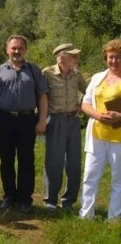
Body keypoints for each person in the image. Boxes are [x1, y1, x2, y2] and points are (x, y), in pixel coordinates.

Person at [0, 35, 48, 214]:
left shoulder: (34, 70)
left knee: (26, 160)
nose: (17, 51)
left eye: (20, 48)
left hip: (27, 120)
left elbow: (43, 96)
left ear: (26, 50)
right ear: (7, 50)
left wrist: (42, 120)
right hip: (3, 119)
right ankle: (9, 196)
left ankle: (24, 199)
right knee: (6, 160)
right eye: (13, 48)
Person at [79, 39, 121, 220]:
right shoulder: (98, 77)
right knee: (90, 176)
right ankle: (86, 216)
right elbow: (85, 103)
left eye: (118, 58)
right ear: (106, 58)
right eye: (111, 57)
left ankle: (114, 218)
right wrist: (96, 115)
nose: (114, 61)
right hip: (97, 135)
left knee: (118, 180)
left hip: (118, 137)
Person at [42, 43, 86, 212]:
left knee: (74, 161)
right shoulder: (47, 73)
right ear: (62, 58)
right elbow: (40, 96)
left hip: (73, 121)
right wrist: (42, 119)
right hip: (55, 120)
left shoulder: (77, 74)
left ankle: (68, 201)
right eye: (73, 56)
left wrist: (81, 103)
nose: (77, 59)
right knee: (54, 161)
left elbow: (88, 91)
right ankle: (50, 200)